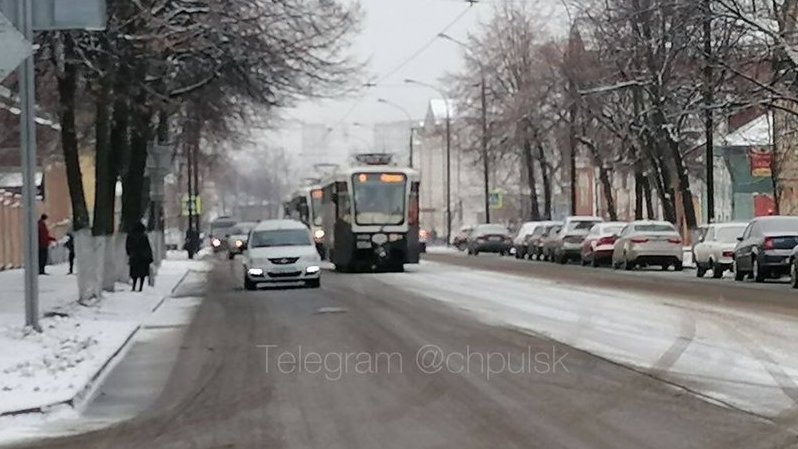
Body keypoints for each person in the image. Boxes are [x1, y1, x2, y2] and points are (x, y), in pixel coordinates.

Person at [126, 222, 154, 292]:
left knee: (134, 274)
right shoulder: (144, 236)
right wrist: (150, 257)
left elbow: (127, 246)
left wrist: (130, 253)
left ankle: (133, 286)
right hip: (143, 258)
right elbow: (148, 247)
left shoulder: (130, 235)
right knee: (142, 274)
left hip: (134, 257)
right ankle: (140, 287)